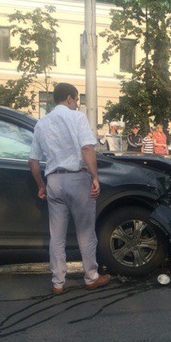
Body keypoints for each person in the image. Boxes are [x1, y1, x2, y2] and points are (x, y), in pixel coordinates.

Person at [28, 82, 111, 295]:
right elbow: (86, 148)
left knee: (57, 235)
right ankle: (91, 277)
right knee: (85, 232)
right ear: (69, 98)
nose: (77, 104)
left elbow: (33, 161)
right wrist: (95, 177)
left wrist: (41, 185)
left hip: (53, 181)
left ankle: (58, 282)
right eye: (76, 100)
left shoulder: (41, 124)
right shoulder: (77, 118)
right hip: (77, 179)